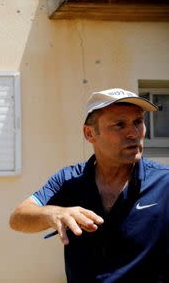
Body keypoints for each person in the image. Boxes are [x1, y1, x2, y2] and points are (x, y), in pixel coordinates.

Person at [9, 88, 169, 282]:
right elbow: (18, 218)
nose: (134, 133)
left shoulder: (164, 182)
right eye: (120, 125)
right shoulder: (68, 180)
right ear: (90, 133)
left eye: (138, 122)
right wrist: (54, 213)